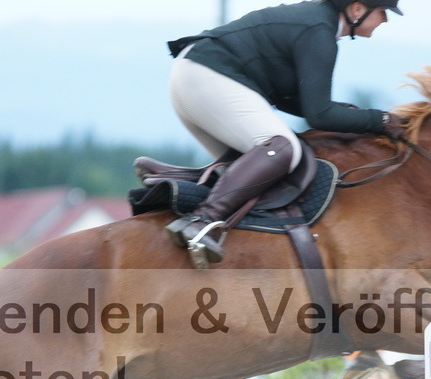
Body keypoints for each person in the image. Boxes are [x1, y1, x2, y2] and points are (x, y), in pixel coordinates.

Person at [161, 0, 407, 265]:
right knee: (283, 148)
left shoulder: (317, 23)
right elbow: (320, 114)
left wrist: (352, 115)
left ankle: (172, 178)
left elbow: (297, 101)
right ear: (357, 9)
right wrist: (380, 120)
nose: (385, 20)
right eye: (383, 12)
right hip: (206, 76)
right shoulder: (318, 31)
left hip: (195, 76)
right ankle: (201, 222)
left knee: (253, 175)